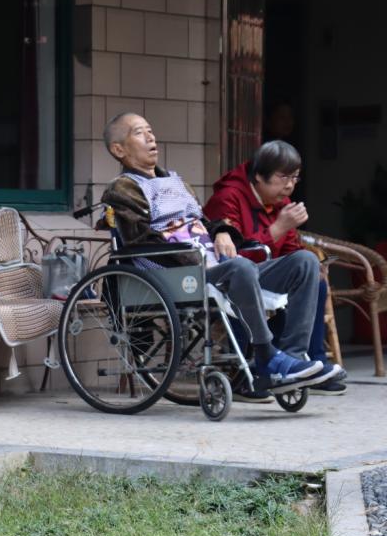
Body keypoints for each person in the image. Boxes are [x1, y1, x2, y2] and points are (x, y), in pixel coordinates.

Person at [100, 112, 339, 396]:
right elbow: (140, 241)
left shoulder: (177, 182)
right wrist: (192, 256)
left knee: (305, 262)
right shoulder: (123, 188)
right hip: (179, 272)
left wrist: (223, 231)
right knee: (240, 267)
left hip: (215, 264)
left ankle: (293, 356)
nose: (150, 137)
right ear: (119, 149)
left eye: (150, 130)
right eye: (139, 132)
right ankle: (266, 356)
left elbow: (204, 222)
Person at [204, 140, 347, 395]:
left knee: (310, 267)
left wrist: (312, 265)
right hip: (231, 277)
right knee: (244, 275)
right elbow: (233, 259)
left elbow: (291, 251)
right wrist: (277, 228)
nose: (290, 185)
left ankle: (296, 360)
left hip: (264, 274)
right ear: (259, 176)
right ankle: (255, 370)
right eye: (284, 177)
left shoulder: (280, 200)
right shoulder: (228, 197)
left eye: (295, 177)